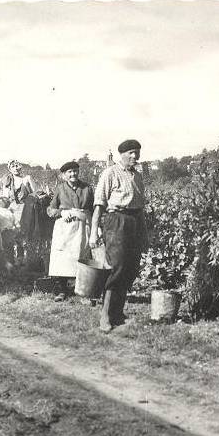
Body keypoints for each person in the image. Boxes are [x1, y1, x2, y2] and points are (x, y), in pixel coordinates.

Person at [89, 139, 147, 332]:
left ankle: (118, 314)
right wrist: (93, 232)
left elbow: (140, 208)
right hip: (116, 222)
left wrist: (144, 233)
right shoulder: (110, 173)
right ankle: (105, 316)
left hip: (135, 222)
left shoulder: (137, 176)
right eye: (131, 152)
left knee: (130, 268)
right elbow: (99, 205)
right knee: (116, 268)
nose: (135, 156)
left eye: (137, 152)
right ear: (121, 154)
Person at [47, 160, 94, 282]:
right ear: (64, 175)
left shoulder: (87, 188)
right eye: (70, 172)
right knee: (63, 257)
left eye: (75, 171)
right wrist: (62, 213)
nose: (73, 174)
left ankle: (82, 286)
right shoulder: (60, 189)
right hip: (65, 228)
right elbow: (51, 209)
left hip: (83, 227)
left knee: (82, 256)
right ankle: (62, 288)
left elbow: (93, 209)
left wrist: (96, 226)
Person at [0, 160, 38, 261]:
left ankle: (24, 258)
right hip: (12, 208)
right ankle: (11, 259)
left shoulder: (27, 179)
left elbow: (36, 193)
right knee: (12, 232)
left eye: (17, 166)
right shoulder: (7, 181)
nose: (15, 168)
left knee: (24, 232)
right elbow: (5, 197)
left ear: (20, 167)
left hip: (25, 208)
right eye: (13, 166)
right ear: (10, 169)